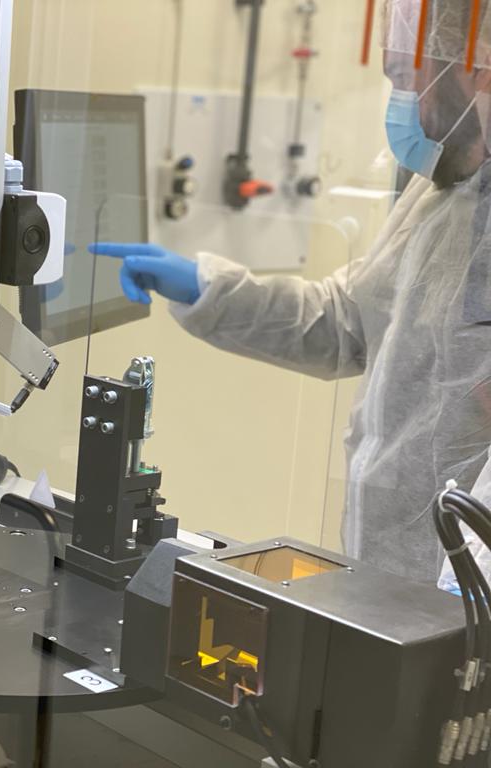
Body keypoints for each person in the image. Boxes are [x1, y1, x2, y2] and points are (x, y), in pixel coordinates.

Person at [92, 0, 491, 586]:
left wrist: (473, 583)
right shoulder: (441, 194)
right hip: (390, 577)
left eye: (406, 81)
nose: (402, 105)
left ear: (473, 69)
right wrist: (209, 289)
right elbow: (348, 321)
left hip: (459, 594)